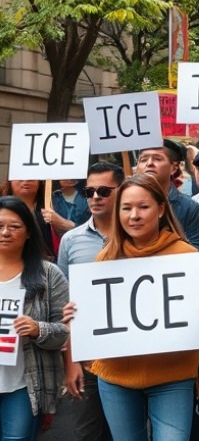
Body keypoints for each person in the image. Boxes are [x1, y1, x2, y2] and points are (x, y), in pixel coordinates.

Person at [64, 174, 199, 440]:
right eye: (126, 208)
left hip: (173, 376)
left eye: (143, 207)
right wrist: (77, 320)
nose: (134, 215)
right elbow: (95, 323)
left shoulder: (186, 257)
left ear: (160, 209)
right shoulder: (105, 258)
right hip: (116, 378)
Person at [54, 163, 124, 441]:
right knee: (87, 433)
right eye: (90, 191)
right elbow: (66, 305)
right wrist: (71, 361)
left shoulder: (138, 237)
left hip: (132, 354)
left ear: (122, 191)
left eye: (104, 191)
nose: (95, 197)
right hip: (89, 358)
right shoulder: (70, 241)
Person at [0, 196, 69, 440]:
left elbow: (66, 330)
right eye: (0, 226)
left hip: (23, 385)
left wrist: (38, 329)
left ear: (29, 232)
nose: (5, 232)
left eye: (14, 226)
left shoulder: (48, 275)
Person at [136, 139, 199, 249]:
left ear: (174, 168)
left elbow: (194, 253)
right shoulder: (123, 203)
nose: (149, 163)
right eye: (143, 160)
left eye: (157, 159)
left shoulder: (190, 207)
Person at [1, 181, 57, 259]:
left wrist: (60, 224)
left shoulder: (54, 206)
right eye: (20, 177)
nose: (26, 181)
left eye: (31, 178)